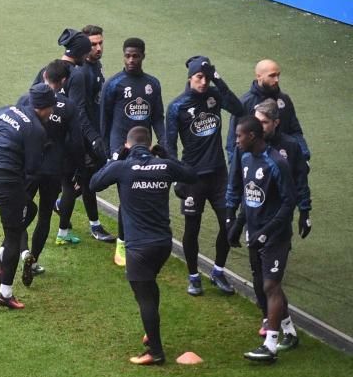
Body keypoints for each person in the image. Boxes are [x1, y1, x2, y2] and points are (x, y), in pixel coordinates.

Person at [89, 127, 198, 365]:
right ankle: (152, 334)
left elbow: (94, 183)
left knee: (143, 297)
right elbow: (191, 174)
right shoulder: (165, 166)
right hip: (163, 244)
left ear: (128, 146)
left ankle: (156, 353)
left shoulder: (122, 167)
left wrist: (117, 156)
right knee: (150, 285)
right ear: (150, 146)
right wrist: (166, 155)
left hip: (138, 247)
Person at [165, 56, 245, 297]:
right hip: (192, 177)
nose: (203, 82)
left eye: (207, 78)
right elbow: (169, 144)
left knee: (228, 224)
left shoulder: (215, 95)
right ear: (190, 78)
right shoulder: (177, 106)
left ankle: (218, 271)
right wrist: (177, 175)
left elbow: (239, 109)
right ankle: (193, 276)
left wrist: (218, 80)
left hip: (219, 174)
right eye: (199, 77)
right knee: (192, 228)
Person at [226, 116, 298, 363]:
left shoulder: (276, 162)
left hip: (275, 235)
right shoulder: (246, 158)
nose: (236, 141)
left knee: (270, 286)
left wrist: (266, 232)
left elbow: (289, 202)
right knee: (264, 284)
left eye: (239, 136)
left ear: (253, 136)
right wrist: (238, 224)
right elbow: (249, 196)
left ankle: (271, 345)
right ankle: (289, 330)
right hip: (254, 232)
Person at [38, 28, 115, 246]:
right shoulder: (79, 74)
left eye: (100, 43)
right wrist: (93, 140)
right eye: (92, 45)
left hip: (53, 140)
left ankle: (66, 215)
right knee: (80, 181)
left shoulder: (50, 69)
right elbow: (79, 112)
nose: (97, 48)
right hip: (73, 139)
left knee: (77, 182)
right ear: (82, 50)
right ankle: (83, 225)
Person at [0, 91, 49, 308]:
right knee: (14, 236)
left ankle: (0, 254)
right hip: (6, 182)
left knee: (30, 209)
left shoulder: (7, 110)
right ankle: (5, 294)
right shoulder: (36, 129)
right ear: (44, 108)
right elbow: (33, 168)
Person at [99, 38, 165, 266]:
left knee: (143, 193)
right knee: (127, 197)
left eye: (135, 56)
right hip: (122, 151)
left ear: (143, 56)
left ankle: (140, 239)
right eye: (127, 55)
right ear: (123, 56)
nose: (131, 60)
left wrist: (164, 144)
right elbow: (104, 120)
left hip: (144, 151)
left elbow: (157, 117)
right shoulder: (114, 84)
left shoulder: (152, 84)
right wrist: (109, 153)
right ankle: (122, 244)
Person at [248, 99, 311, 335]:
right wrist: (236, 219)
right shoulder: (248, 145)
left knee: (271, 282)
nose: (259, 126)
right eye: (256, 121)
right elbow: (243, 185)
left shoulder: (290, 148)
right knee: (259, 277)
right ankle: (273, 321)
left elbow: (300, 182)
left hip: (277, 225)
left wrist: (305, 212)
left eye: (264, 122)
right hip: (255, 220)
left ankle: (277, 332)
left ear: (276, 122)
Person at [17, 62, 82, 277]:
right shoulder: (69, 106)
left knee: (19, 212)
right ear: (63, 81)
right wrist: (76, 170)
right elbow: (76, 143)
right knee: (44, 216)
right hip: (53, 170)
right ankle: (33, 260)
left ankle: (24, 251)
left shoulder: (26, 100)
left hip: (28, 167)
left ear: (44, 75)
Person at [227, 59, 310, 164]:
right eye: (272, 76)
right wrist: (235, 167)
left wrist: (304, 156)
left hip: (283, 160)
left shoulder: (284, 100)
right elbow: (233, 140)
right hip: (255, 164)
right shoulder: (244, 103)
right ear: (259, 76)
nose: (276, 80)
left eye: (278, 75)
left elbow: (295, 131)